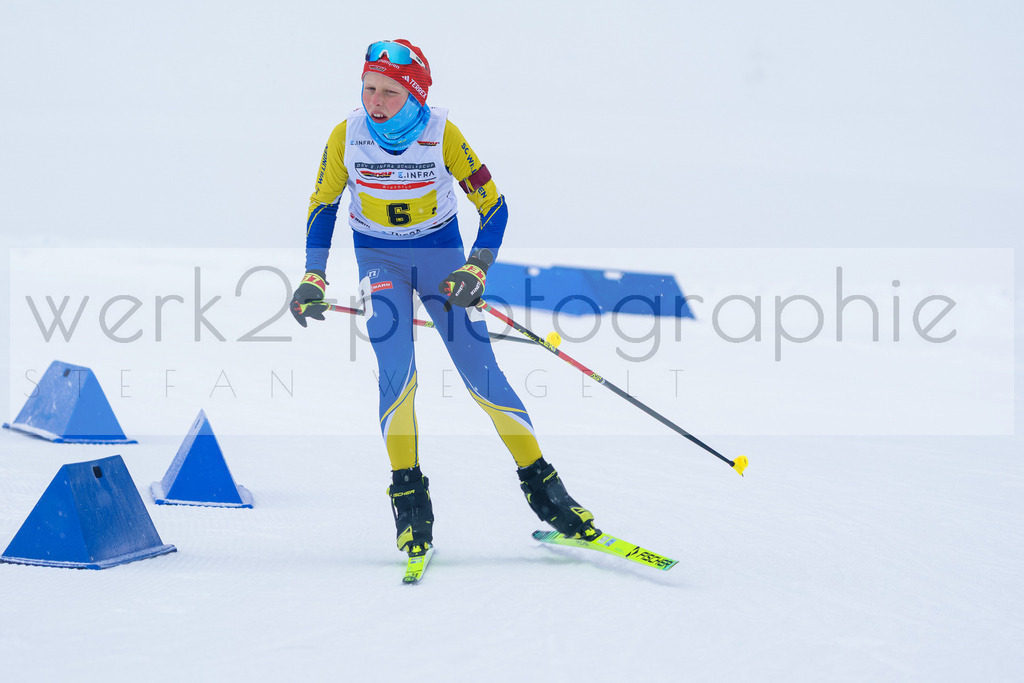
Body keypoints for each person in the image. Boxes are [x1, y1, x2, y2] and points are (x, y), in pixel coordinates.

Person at [290, 39, 598, 558]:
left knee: (484, 380)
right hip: (380, 264)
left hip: (441, 263)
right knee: (398, 375)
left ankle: (547, 493)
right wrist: (313, 275)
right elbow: (322, 206)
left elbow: (494, 207)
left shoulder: (442, 134)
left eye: (389, 91)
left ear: (414, 94)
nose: (376, 102)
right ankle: (410, 504)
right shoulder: (346, 136)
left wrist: (476, 267)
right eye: (368, 88)